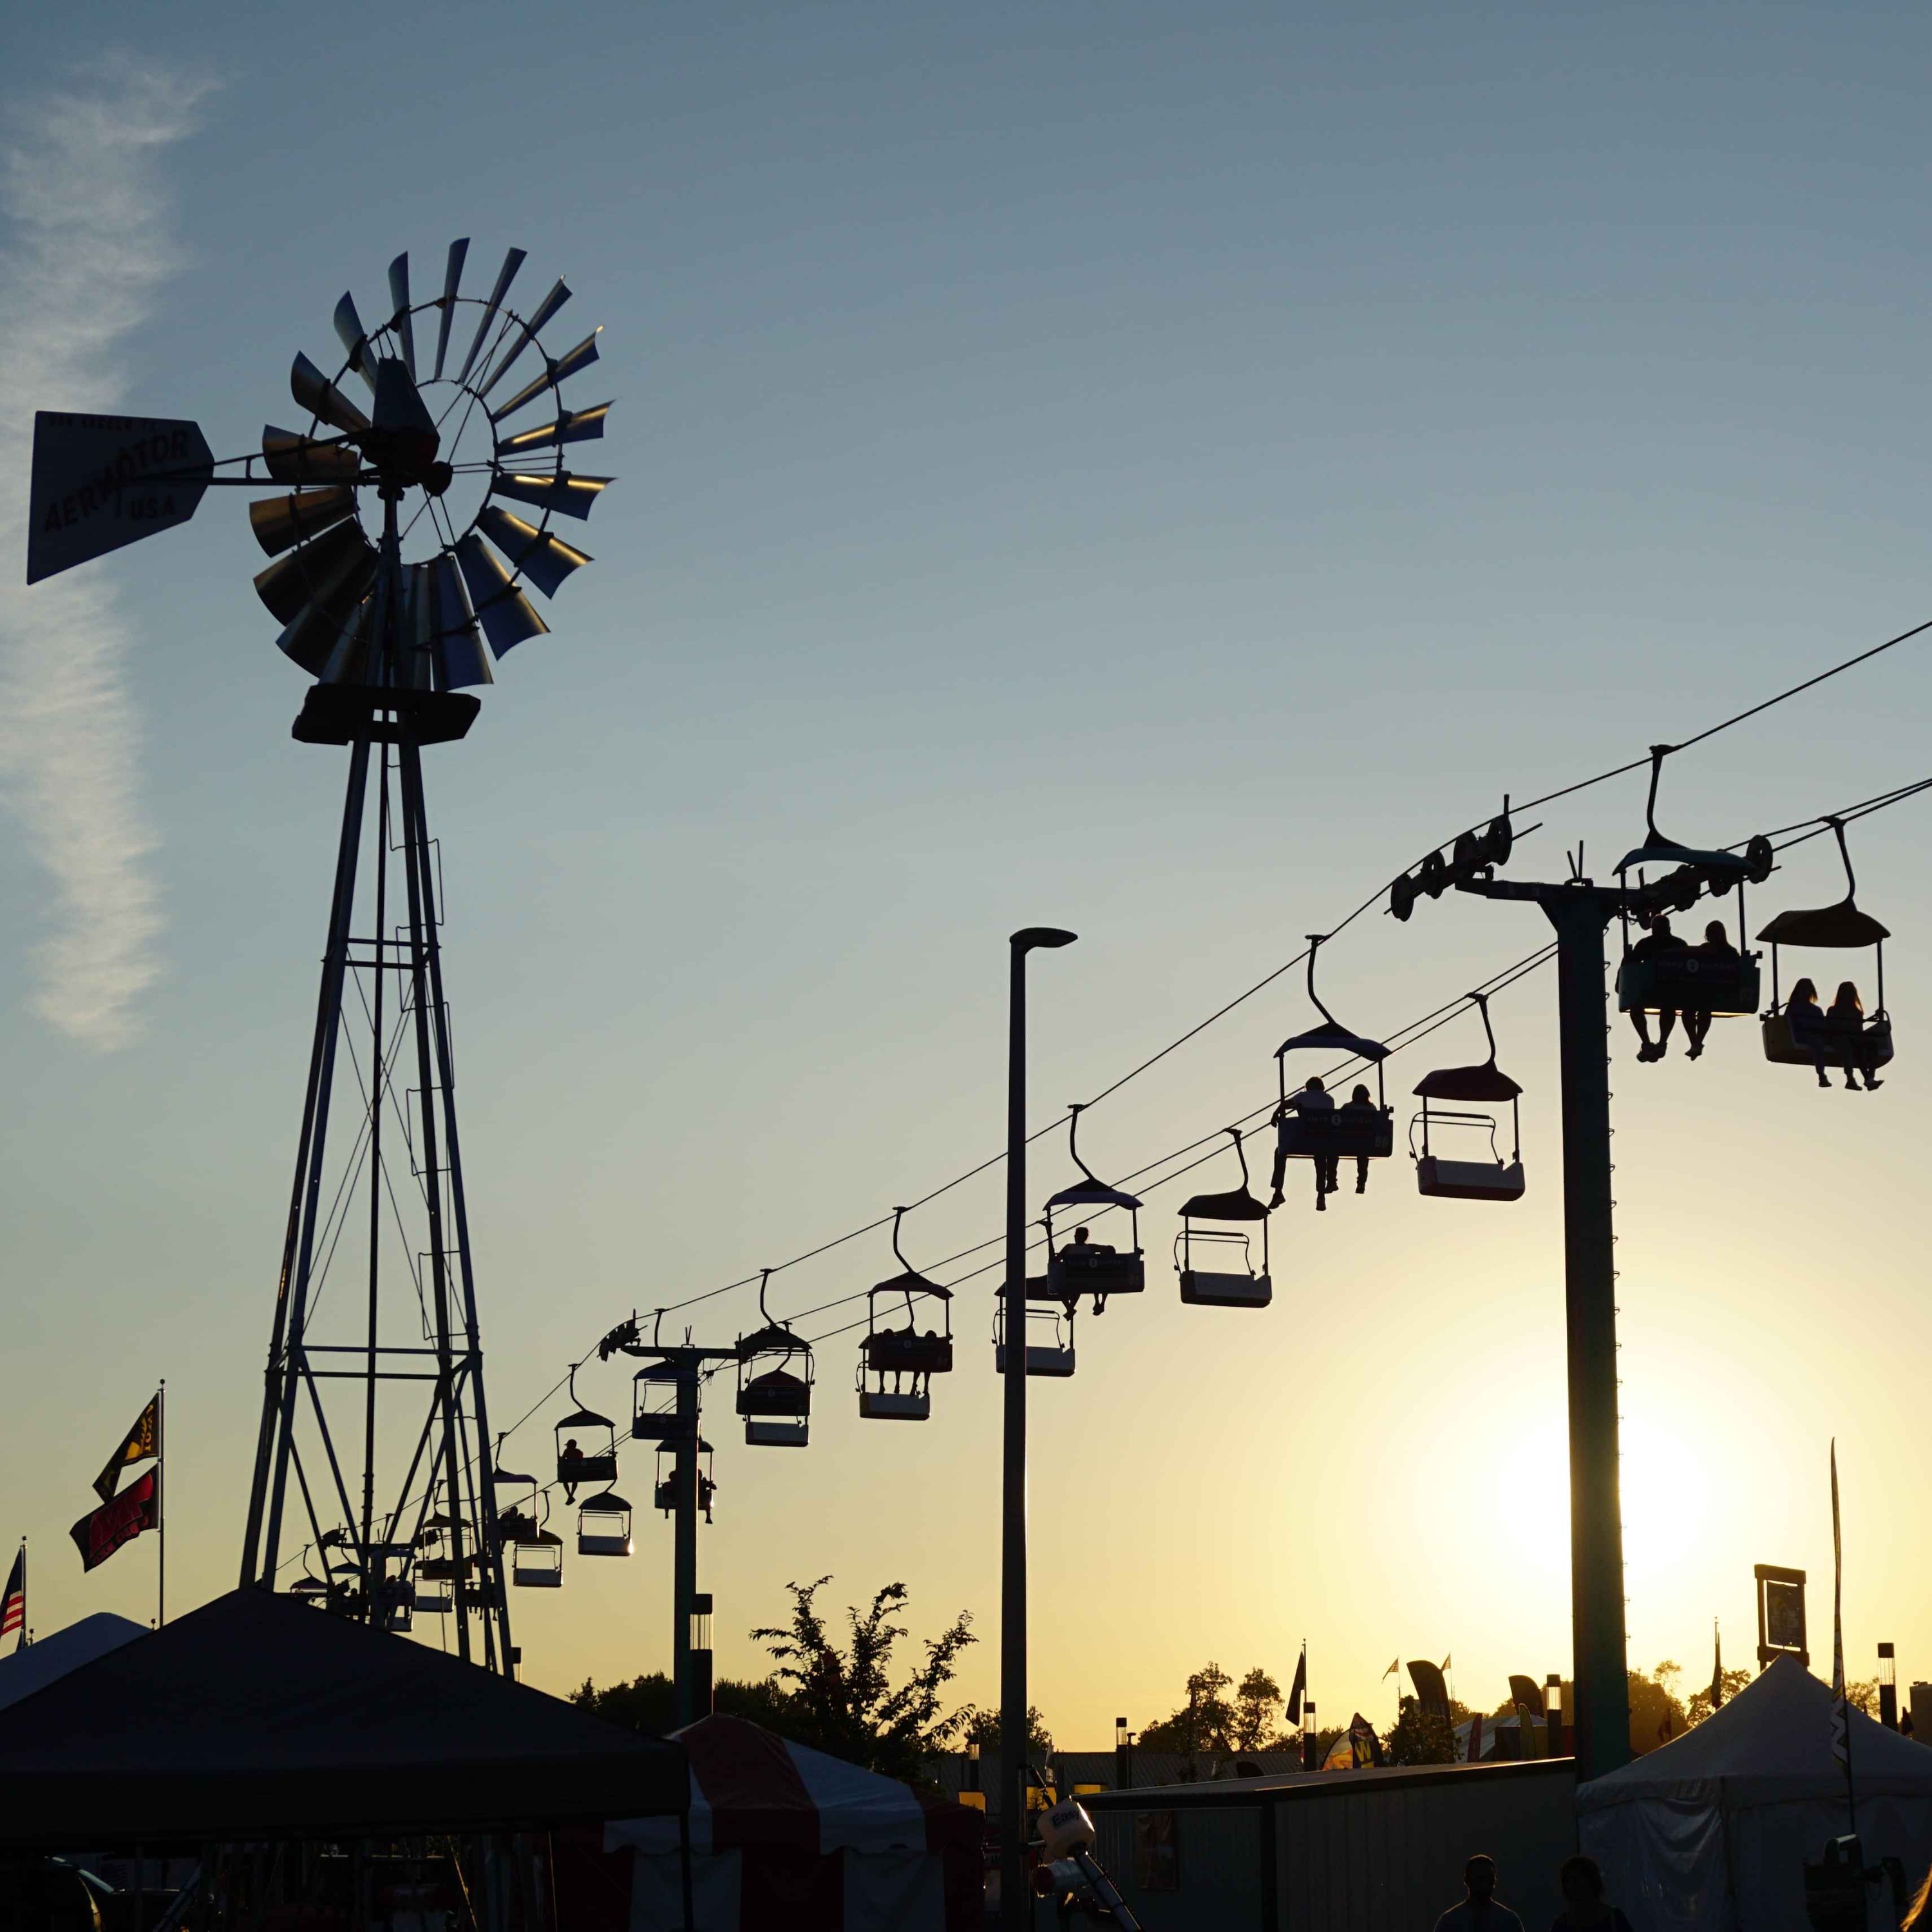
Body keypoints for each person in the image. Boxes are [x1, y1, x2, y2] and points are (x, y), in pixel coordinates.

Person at [1626, 916, 1689, 1061]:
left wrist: (1622, 982)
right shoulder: (1678, 944)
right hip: (1669, 989)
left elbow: (1629, 962)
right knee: (1667, 1007)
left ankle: (1648, 1043)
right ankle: (1660, 1043)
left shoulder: (1646, 944)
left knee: (1637, 1009)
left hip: (1653, 988)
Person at [1271, 1075, 1338, 1210]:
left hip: (1303, 1141)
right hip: (1322, 1142)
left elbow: (1285, 1104)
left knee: (1280, 1152)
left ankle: (1278, 1192)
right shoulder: (1330, 1100)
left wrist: (1276, 1114)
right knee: (1321, 1158)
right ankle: (1321, 1195)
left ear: (1309, 1087)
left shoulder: (1303, 1097)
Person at [1680, 919, 1739, 1061]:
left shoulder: (1726, 952)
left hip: (1717, 990)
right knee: (1692, 1010)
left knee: (1699, 1008)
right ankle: (1696, 1042)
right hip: (1707, 989)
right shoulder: (1721, 951)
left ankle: (1696, 1042)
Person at [1432, 1853, 1526, 1932]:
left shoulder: (1449, 1921)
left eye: (1488, 1879)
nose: (1484, 1884)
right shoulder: (1509, 1920)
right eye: (1480, 1879)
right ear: (1467, 1880)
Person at [1784, 977, 1841, 1092]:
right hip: (1801, 1036)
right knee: (1817, 1043)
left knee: (1834, 1040)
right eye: (1803, 990)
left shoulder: (1816, 1010)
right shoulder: (1793, 1008)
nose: (1805, 993)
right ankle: (1822, 1075)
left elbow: (1823, 1026)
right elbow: (1786, 1025)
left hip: (1816, 1035)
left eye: (1808, 990)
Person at [1827, 980, 1884, 1092]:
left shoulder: (1856, 1012)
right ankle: (1857, 1078)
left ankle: (1870, 1077)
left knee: (1869, 1045)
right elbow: (1830, 1028)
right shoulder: (1834, 1010)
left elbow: (1859, 1030)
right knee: (1851, 1045)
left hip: (1853, 1038)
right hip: (1839, 1038)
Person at [1549, 1854, 1632, 1931]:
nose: (1573, 1886)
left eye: (1577, 1880)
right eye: (1569, 1881)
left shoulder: (1615, 1919)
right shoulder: (1614, 1919)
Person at [1336, 1083, 1381, 1193]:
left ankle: (1333, 1180)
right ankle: (1361, 1183)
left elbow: (1337, 1119)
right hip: (1366, 1142)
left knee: (1333, 1152)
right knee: (1363, 1161)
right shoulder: (1372, 1108)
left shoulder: (1348, 1107)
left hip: (1348, 1141)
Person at [560, 1437, 585, 1503]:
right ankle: (571, 1495)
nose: (567, 1447)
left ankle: (570, 1495)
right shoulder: (579, 1452)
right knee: (575, 1480)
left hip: (570, 1472)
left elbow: (562, 1459)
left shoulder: (567, 1451)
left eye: (568, 1445)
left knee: (565, 1480)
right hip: (576, 1472)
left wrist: (560, 1459)